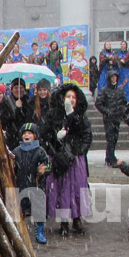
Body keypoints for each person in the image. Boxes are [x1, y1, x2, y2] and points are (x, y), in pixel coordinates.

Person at [42, 83, 93, 236]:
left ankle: (77, 218)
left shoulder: (81, 116)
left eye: (73, 97)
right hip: (59, 157)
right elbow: (45, 134)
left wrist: (79, 151)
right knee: (62, 190)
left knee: (77, 189)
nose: (71, 99)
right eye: (68, 97)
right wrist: (56, 140)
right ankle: (64, 221)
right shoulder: (53, 115)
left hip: (76, 158)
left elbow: (86, 135)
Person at [14, 123, 49, 244]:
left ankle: (39, 231)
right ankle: (20, 232)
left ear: (35, 135)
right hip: (21, 183)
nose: (26, 135)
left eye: (29, 133)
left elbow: (48, 165)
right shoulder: (17, 151)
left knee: (38, 208)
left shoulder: (40, 151)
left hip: (36, 184)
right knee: (20, 207)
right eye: (24, 133)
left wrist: (42, 171)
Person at [95, 70, 127, 167]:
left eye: (115, 77)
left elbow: (124, 102)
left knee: (115, 138)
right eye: (112, 77)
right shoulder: (104, 90)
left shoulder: (120, 90)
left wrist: (122, 111)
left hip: (117, 118)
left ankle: (110, 157)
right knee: (110, 138)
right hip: (109, 119)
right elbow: (98, 103)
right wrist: (107, 111)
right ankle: (110, 158)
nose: (114, 79)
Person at [0, 78, 33, 150]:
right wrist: (17, 109)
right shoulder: (6, 102)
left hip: (26, 139)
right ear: (11, 89)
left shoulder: (28, 102)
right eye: (16, 88)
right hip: (11, 139)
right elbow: (4, 120)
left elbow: (29, 119)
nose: (18, 90)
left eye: (21, 88)